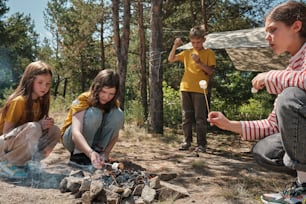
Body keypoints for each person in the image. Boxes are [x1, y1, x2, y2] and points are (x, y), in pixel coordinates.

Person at [207, 1, 306, 203]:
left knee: (289, 97)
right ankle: (302, 184)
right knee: (265, 151)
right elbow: (273, 125)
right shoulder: (291, 69)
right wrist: (229, 125)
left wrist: (270, 76)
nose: (267, 37)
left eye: (273, 30)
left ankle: (303, 188)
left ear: (296, 26)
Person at [0, 61, 61, 179]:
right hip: (3, 145)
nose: (44, 87)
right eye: (40, 82)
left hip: (15, 143)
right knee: (34, 127)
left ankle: (29, 163)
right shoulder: (19, 101)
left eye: (48, 84)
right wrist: (38, 125)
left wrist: (45, 125)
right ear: (30, 81)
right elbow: (6, 133)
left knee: (55, 131)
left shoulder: (40, 101)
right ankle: (7, 164)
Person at [61, 69, 124, 169]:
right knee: (95, 113)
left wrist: (106, 153)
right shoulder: (84, 98)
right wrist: (90, 153)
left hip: (94, 142)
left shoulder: (113, 104)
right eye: (103, 91)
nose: (106, 97)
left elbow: (115, 134)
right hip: (72, 139)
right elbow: (75, 133)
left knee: (118, 114)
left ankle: (98, 154)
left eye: (111, 94)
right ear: (96, 88)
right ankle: (79, 156)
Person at [168, 25, 216, 153]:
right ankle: (186, 142)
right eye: (193, 42)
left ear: (204, 40)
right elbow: (171, 59)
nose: (196, 45)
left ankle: (201, 144)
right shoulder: (187, 52)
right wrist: (175, 46)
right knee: (186, 117)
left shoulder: (208, 53)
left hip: (200, 90)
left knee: (200, 118)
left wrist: (199, 62)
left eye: (198, 42)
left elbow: (210, 71)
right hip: (185, 88)